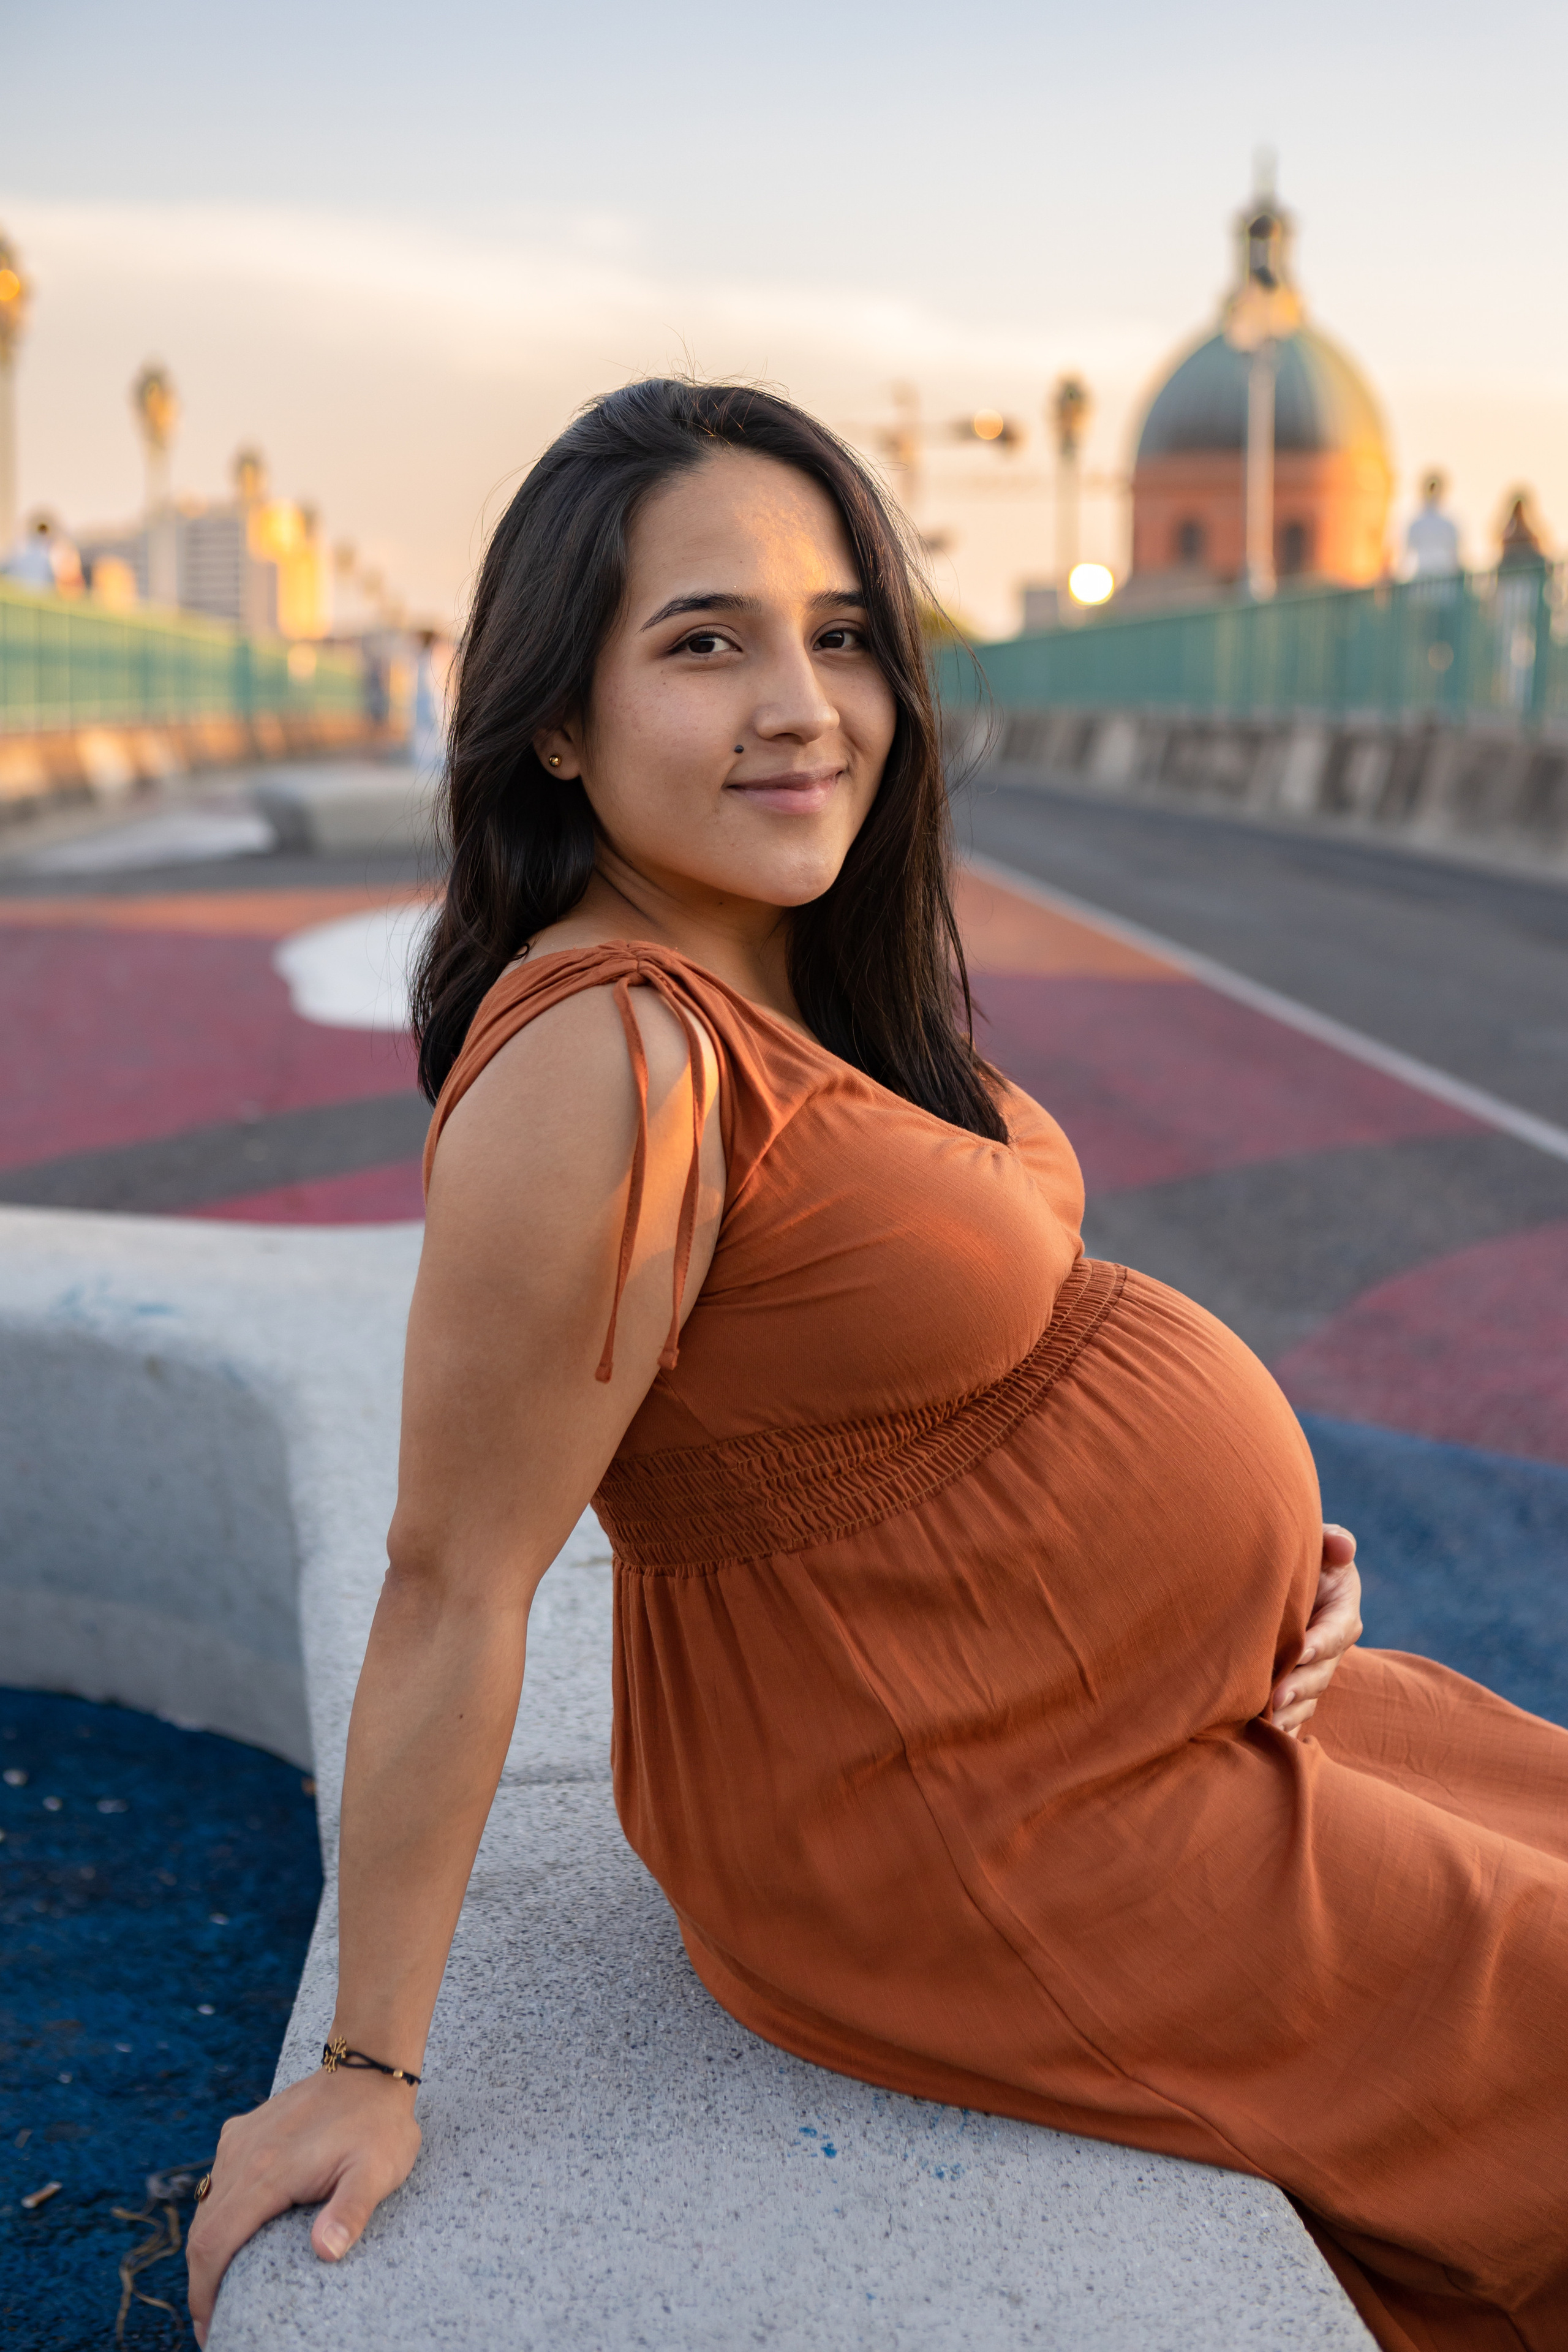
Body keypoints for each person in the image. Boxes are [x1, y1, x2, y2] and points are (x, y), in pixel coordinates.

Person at [187, 381, 1567, 2352]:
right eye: (705, 642)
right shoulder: (607, 1052)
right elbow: (455, 1575)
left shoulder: (782, 962)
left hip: (1075, 1729)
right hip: (959, 1821)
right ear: (555, 719)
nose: (801, 701)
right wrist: (370, 2065)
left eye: (841, 635)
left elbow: (897, 1401)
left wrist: (1253, 1576)